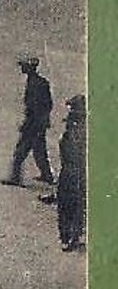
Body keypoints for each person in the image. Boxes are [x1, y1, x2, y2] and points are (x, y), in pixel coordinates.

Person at [3, 56, 54, 186]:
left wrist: (28, 124)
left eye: (24, 66)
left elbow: (36, 107)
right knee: (39, 150)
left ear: (30, 68)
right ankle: (47, 175)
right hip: (39, 123)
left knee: (20, 152)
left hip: (34, 124)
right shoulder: (39, 82)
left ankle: (15, 178)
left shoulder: (36, 83)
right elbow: (48, 104)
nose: (22, 68)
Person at [54, 96, 86, 251]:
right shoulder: (70, 130)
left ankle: (72, 237)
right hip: (67, 171)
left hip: (76, 173)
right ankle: (67, 236)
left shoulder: (83, 133)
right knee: (65, 204)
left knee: (74, 205)